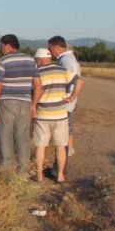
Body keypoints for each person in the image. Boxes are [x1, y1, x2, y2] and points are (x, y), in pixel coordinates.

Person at [0, 34, 37, 174]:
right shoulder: (30, 60)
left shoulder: (3, 61)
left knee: (5, 133)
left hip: (7, 102)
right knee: (23, 135)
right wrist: (33, 104)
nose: (0, 48)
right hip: (25, 102)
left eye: (1, 46)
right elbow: (38, 84)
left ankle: (8, 168)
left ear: (7, 45)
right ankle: (23, 171)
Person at [30, 48, 82, 182]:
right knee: (60, 146)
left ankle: (39, 176)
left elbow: (34, 91)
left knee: (40, 146)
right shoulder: (62, 70)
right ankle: (60, 176)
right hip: (60, 115)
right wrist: (72, 97)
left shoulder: (36, 72)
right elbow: (80, 82)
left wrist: (33, 106)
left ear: (40, 59)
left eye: (36, 60)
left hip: (42, 115)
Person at [47, 36, 82, 176]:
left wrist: (66, 96)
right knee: (63, 136)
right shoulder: (67, 59)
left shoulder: (66, 60)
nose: (50, 51)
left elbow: (72, 81)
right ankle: (58, 168)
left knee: (61, 138)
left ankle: (59, 170)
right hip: (67, 103)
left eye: (50, 48)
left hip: (64, 104)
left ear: (56, 47)